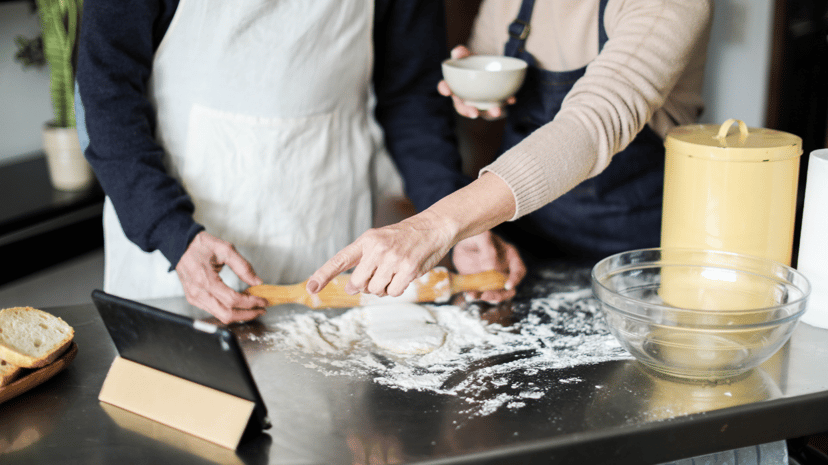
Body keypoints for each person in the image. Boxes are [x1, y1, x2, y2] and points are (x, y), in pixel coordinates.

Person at [75, 0, 524, 324]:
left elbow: (411, 98)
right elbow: (105, 94)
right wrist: (171, 232)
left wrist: (450, 222)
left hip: (324, 227)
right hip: (177, 239)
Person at [307, 0, 713, 298]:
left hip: (640, 260)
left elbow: (590, 126)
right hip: (527, 245)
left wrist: (436, 225)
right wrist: (478, 94)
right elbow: (488, 65)